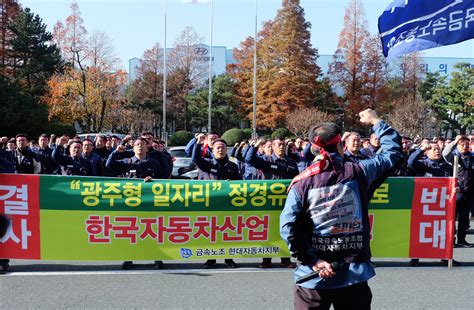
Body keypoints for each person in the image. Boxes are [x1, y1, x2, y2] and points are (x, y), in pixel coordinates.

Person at [280, 109, 403, 309]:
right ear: (340, 145)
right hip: (353, 274)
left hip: (313, 277)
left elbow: (288, 227)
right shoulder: (359, 171)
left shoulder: (301, 183)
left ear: (314, 149)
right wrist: (376, 121)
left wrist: (313, 260)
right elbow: (393, 154)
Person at [106, 138, 165, 270]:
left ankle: (156, 256)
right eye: (137, 144)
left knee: (150, 231)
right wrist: (115, 152)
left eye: (143, 144)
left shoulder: (153, 163)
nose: (140, 147)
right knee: (131, 232)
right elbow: (109, 165)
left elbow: (163, 177)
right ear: (133, 148)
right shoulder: (127, 161)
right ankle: (129, 257)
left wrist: (153, 181)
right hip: (130, 204)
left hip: (149, 203)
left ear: (147, 147)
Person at [246, 137, 298, 269]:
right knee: (268, 231)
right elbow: (249, 159)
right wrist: (254, 146)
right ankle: (266, 259)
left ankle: (285, 258)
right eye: (278, 145)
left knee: (285, 229)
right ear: (273, 147)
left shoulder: (291, 163)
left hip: (285, 203)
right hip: (268, 203)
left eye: (283, 145)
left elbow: (297, 181)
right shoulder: (266, 161)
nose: (281, 147)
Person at [407, 141, 459, 266]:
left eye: (438, 149)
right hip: (424, 203)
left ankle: (445, 255)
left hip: (442, 204)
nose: (437, 151)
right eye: (434, 149)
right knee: (420, 230)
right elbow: (410, 162)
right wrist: (420, 149)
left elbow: (454, 181)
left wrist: (456, 188)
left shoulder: (446, 166)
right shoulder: (422, 164)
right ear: (427, 152)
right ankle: (415, 257)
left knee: (444, 230)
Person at [192, 134, 239, 268]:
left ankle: (229, 258)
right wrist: (198, 143)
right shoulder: (206, 164)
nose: (220, 150)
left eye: (223, 148)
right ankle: (211, 258)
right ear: (213, 150)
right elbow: (195, 158)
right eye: (217, 148)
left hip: (227, 205)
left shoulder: (232, 167)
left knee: (227, 232)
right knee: (211, 232)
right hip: (210, 205)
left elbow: (241, 185)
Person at [442, 135, 473, 248]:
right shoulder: (454, 156)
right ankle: (451, 239)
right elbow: (445, 153)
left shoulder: (472, 156)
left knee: (464, 218)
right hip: (456, 191)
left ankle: (462, 239)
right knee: (452, 217)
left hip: (468, 192)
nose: (464, 146)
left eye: (466, 144)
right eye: (462, 144)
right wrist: (455, 141)